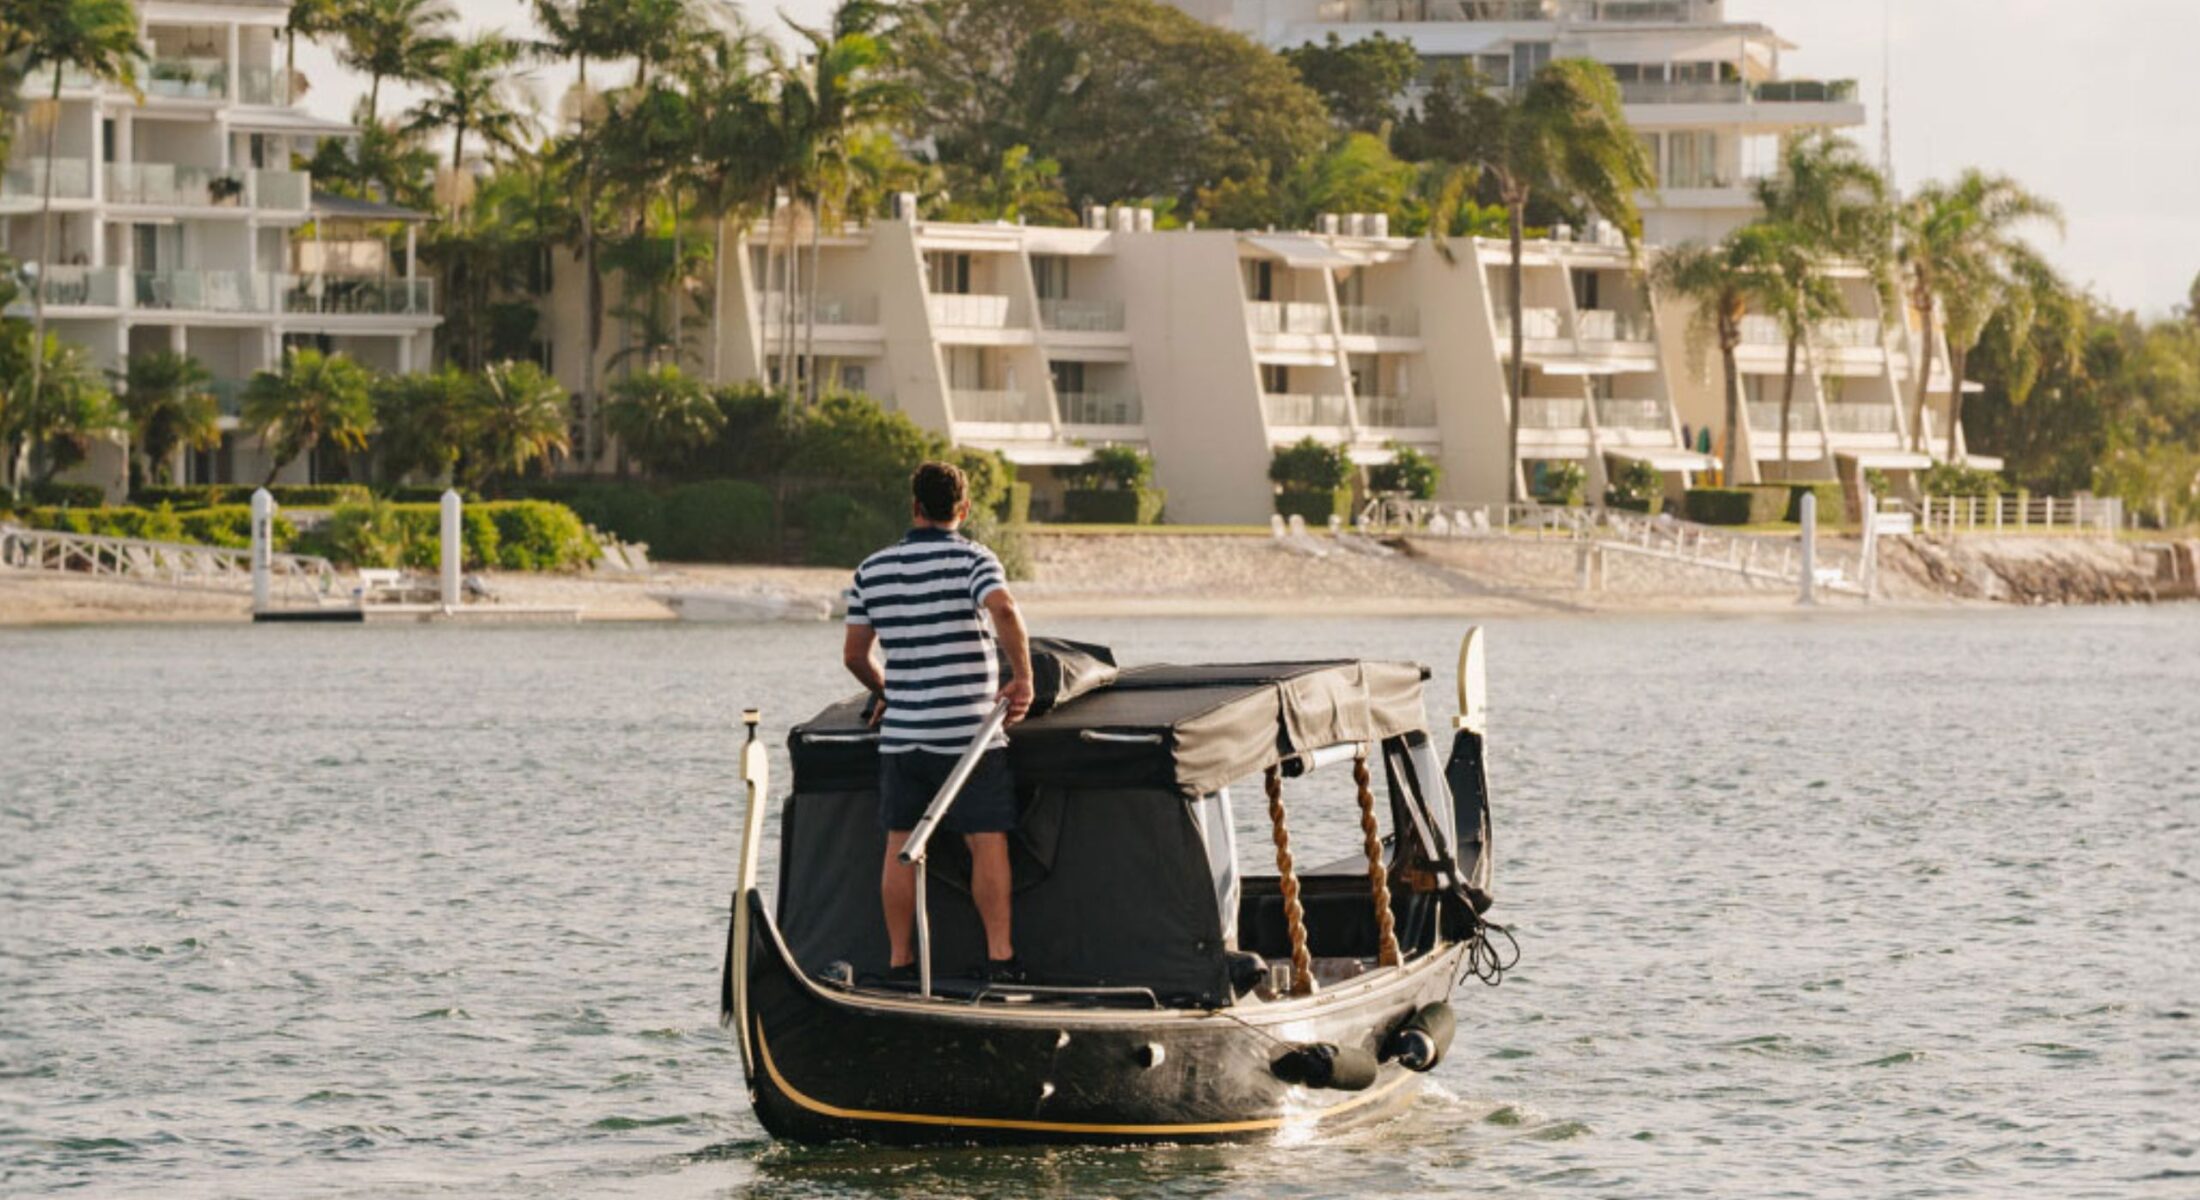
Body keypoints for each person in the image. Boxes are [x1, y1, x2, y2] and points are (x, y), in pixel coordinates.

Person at [842, 461, 1034, 985]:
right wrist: (1024, 679)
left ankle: (900, 963)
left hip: (903, 737)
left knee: (900, 844)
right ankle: (1001, 960)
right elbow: (1005, 610)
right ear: (963, 509)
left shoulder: (872, 568)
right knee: (986, 841)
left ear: (915, 507)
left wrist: (888, 692)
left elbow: (855, 655)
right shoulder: (974, 559)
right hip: (968, 737)